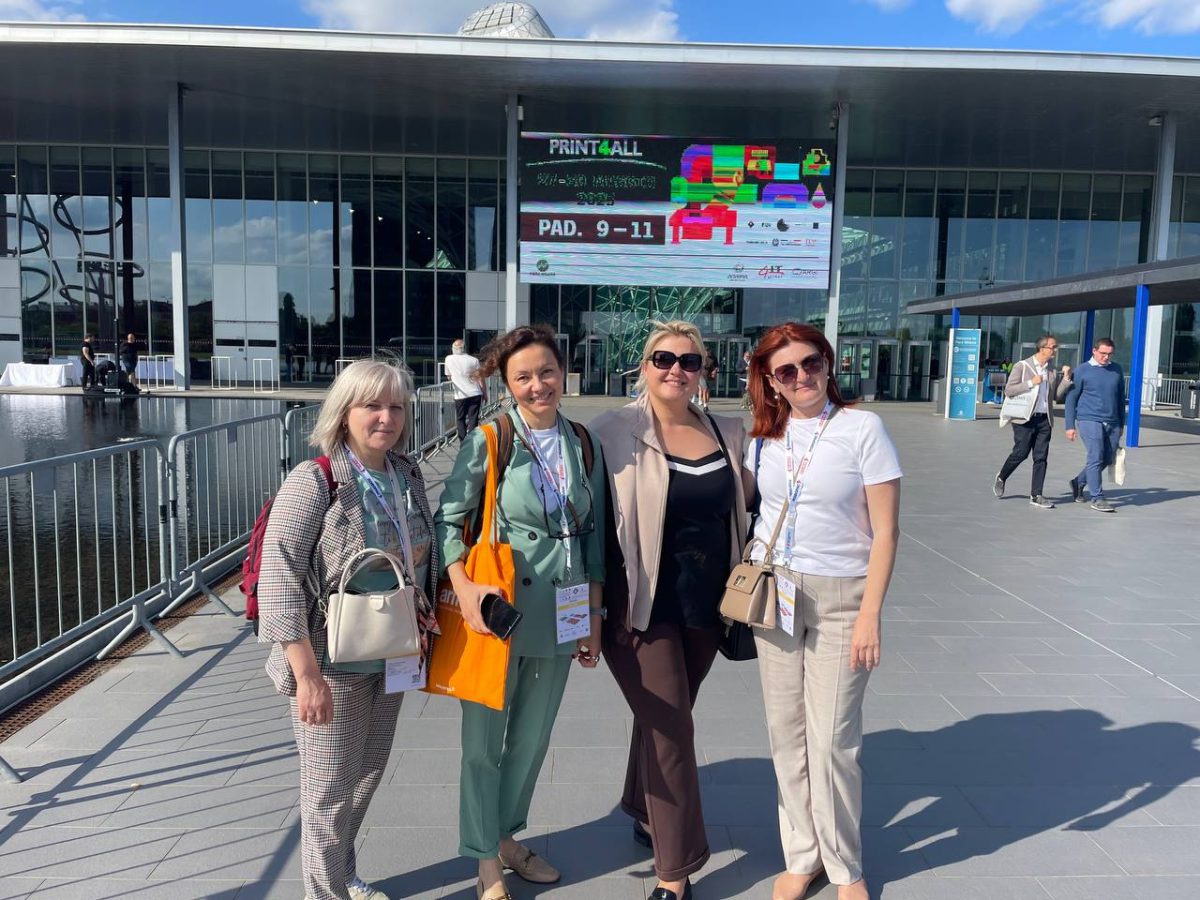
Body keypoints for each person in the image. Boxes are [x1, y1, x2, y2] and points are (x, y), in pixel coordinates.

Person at [434, 324, 607, 900]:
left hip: (562, 609)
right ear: (505, 384)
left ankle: (506, 836)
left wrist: (594, 617)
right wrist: (463, 587)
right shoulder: (491, 438)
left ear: (563, 372)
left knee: (531, 740)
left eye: (547, 372)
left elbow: (593, 534)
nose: (538, 386)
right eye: (523, 377)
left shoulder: (582, 442)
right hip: (498, 612)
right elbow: (448, 519)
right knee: (483, 745)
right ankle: (486, 861)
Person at [258, 360, 439, 900]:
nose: (387, 418)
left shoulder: (405, 473)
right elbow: (279, 577)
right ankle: (325, 893)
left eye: (396, 407)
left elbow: (420, 556)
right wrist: (305, 676)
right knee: (328, 791)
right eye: (372, 406)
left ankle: (343, 875)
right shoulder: (316, 480)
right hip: (330, 660)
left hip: (393, 650)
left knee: (365, 776)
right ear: (344, 412)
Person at [590, 322, 749, 900]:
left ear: (704, 371)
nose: (675, 369)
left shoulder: (727, 431)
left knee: (666, 716)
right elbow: (584, 519)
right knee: (671, 729)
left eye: (689, 360)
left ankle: (643, 806)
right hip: (637, 606)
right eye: (663, 358)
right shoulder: (610, 431)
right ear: (644, 366)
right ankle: (675, 871)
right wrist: (586, 609)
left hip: (706, 607)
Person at [743, 322, 901, 900]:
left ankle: (844, 866)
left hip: (842, 596)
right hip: (776, 594)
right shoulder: (762, 438)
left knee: (833, 737)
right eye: (786, 370)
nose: (802, 377)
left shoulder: (863, 429)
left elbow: (886, 532)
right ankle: (802, 854)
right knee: (786, 732)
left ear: (828, 363)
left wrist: (870, 614)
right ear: (770, 381)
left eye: (811, 363)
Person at [992, 335, 1071, 509]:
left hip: (1044, 419)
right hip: (1024, 419)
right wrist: (1031, 382)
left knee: (1041, 457)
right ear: (1042, 349)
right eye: (1053, 347)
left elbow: (1056, 396)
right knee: (1021, 453)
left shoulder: (1051, 370)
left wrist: (1066, 379)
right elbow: (1009, 390)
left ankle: (1036, 495)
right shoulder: (1022, 366)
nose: (1055, 350)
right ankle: (1002, 476)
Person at [1064, 337, 1126, 513]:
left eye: (1109, 354)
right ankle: (1097, 498)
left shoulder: (1116, 369)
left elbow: (1120, 398)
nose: (1106, 357)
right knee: (1095, 456)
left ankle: (1078, 482)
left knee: (1107, 458)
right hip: (1089, 419)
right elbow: (1071, 399)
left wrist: (1121, 423)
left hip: (1113, 421)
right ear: (1094, 351)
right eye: (1103, 353)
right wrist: (1069, 425)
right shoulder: (1082, 370)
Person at [445, 338, 487, 441]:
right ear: (464, 348)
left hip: (460, 394)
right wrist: (485, 393)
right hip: (475, 393)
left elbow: (448, 376)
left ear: (453, 348)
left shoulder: (449, 359)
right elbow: (480, 378)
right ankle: (471, 441)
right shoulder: (474, 360)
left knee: (460, 419)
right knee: (473, 419)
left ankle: (463, 442)